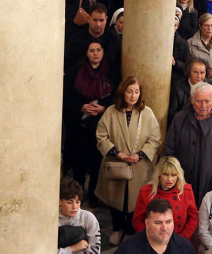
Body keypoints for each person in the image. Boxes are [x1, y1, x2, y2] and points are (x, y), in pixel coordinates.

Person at [95, 75, 161, 242]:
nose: (133, 96)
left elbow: (154, 138)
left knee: (136, 198)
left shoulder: (147, 112)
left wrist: (139, 155)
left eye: (136, 92)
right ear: (123, 92)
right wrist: (118, 154)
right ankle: (117, 229)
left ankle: (131, 231)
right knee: (116, 197)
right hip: (116, 163)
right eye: (129, 91)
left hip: (139, 164)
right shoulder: (111, 111)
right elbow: (101, 136)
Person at [162, 81, 212, 203]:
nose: (203, 106)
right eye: (199, 101)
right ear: (191, 99)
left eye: (207, 101)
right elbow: (169, 151)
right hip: (181, 184)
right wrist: (176, 178)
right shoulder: (180, 119)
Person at [65, 40, 113, 196]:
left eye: (98, 49)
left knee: (97, 162)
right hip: (79, 124)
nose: (95, 53)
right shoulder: (76, 71)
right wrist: (82, 107)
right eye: (91, 50)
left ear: (103, 52)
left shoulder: (110, 72)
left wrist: (103, 108)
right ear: (86, 53)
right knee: (79, 162)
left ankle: (93, 195)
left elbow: (116, 96)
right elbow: (65, 95)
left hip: (101, 125)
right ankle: (77, 194)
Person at [131, 157, 198, 241]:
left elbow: (193, 217)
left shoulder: (186, 190)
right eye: (165, 174)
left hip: (180, 239)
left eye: (173, 175)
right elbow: (137, 221)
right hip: (152, 240)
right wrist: (152, 238)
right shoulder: (146, 192)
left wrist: (181, 238)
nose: (169, 179)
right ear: (159, 175)